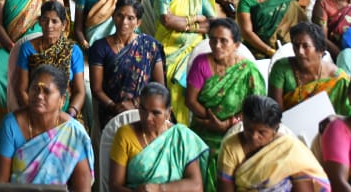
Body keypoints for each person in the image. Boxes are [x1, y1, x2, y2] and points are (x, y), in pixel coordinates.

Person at [186, 18, 267, 188]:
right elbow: (191, 101)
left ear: (236, 44)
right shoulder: (201, 63)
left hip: (239, 131)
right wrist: (213, 122)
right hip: (204, 130)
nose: (217, 45)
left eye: (224, 41)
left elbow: (257, 108)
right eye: (213, 40)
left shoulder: (247, 71)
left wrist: (229, 124)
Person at [141, 0, 221, 123]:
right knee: (173, 79)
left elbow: (213, 24)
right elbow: (167, 21)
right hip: (167, 47)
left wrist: (187, 25)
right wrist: (197, 18)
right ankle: (179, 122)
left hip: (194, 48)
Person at [0, 65, 94, 190]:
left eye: (46, 91)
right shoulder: (11, 125)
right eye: (35, 89)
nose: (39, 96)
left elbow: (82, 188)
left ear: (62, 100)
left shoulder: (74, 133)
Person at [218, 95, 330, 191]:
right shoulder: (230, 147)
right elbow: (225, 188)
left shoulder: (288, 148)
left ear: (275, 130)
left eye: (261, 132)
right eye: (248, 129)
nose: (253, 136)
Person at [109, 83, 207, 192]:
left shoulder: (181, 137)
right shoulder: (125, 135)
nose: (148, 118)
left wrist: (159, 189)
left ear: (168, 113)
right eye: (143, 110)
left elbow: (196, 186)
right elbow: (114, 186)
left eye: (155, 113)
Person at [89, 0, 166, 126]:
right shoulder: (100, 47)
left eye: (130, 18)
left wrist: (135, 104)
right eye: (120, 15)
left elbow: (159, 86)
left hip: (145, 110)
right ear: (113, 16)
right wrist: (115, 107)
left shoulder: (150, 45)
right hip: (112, 112)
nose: (124, 22)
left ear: (138, 22)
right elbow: (96, 89)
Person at [14, 1, 88, 125]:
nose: (49, 25)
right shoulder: (27, 49)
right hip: (36, 108)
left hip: (65, 111)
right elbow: (21, 89)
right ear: (39, 22)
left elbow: (80, 91)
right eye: (45, 20)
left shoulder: (73, 50)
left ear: (64, 25)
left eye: (55, 21)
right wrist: (36, 114)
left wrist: (69, 115)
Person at [269, 22, 351, 115]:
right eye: (296, 45)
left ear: (320, 50)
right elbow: (275, 110)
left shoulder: (338, 79)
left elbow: (347, 114)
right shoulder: (281, 68)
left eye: (306, 46)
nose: (300, 51)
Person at [237, 0, 305, 59]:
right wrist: (270, 51)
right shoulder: (246, 2)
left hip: (291, 48)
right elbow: (247, 32)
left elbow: (302, 22)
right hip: (260, 51)